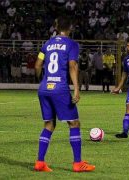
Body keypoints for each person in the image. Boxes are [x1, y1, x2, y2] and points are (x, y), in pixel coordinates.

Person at [34, 16, 95, 172]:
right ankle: (77, 163)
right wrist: (76, 88)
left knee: (49, 124)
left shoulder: (47, 44)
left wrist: (41, 80)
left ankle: (40, 162)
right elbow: (73, 66)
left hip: (44, 88)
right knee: (74, 123)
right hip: (59, 89)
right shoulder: (72, 44)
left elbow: (37, 65)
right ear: (70, 28)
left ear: (56, 27)